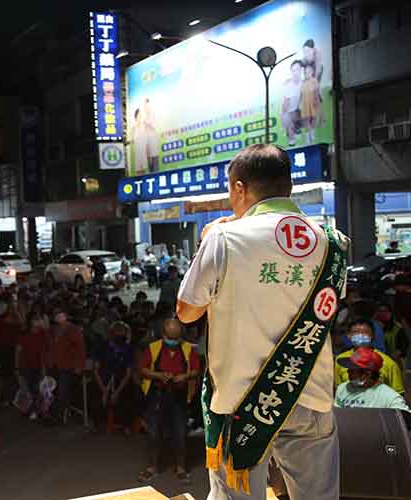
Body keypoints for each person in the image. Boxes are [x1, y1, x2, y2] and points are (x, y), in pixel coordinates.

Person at [177, 144, 346, 500]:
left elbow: (186, 311)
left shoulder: (223, 238)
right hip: (310, 395)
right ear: (287, 186)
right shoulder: (332, 242)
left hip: (243, 403)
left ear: (239, 188)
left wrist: (205, 242)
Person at [138, 318, 200, 483]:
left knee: (180, 433)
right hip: (157, 395)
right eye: (170, 337)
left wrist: (185, 376)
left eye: (176, 338)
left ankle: (181, 468)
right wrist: (158, 375)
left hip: (179, 396)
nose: (173, 341)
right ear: (164, 333)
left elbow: (195, 371)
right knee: (153, 433)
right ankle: (152, 467)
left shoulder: (188, 349)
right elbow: (143, 370)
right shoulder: (153, 348)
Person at [89, 321, 137, 434]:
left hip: (122, 379)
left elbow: (128, 373)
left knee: (129, 392)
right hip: (102, 377)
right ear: (111, 333)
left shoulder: (129, 349)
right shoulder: (102, 346)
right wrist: (104, 390)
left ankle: (125, 425)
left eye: (123, 332)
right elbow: (95, 370)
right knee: (95, 394)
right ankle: (96, 424)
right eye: (118, 332)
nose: (120, 334)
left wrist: (117, 391)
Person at [334, 319, 404, 394]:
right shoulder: (341, 360)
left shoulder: (388, 363)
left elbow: (398, 393)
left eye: (365, 333)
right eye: (355, 332)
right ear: (348, 335)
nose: (360, 335)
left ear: (373, 336)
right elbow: (338, 389)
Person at [334, 347, 410, 411]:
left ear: (367, 374)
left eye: (352, 370)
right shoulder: (342, 389)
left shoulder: (390, 398)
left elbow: (404, 421)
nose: (348, 371)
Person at [46, 308, 86, 424]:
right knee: (52, 391)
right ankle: (53, 414)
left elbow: (80, 349)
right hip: (53, 364)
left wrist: (79, 366)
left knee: (62, 391)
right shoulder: (52, 330)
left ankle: (58, 416)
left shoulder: (73, 330)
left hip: (67, 365)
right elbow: (48, 348)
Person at [281, 60, 304, 146]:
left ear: (301, 70)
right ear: (291, 71)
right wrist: (285, 115)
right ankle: (291, 138)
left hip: (300, 110)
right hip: (290, 111)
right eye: (293, 70)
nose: (295, 72)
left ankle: (298, 128)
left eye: (297, 70)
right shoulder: (288, 85)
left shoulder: (303, 83)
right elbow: (285, 104)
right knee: (286, 117)